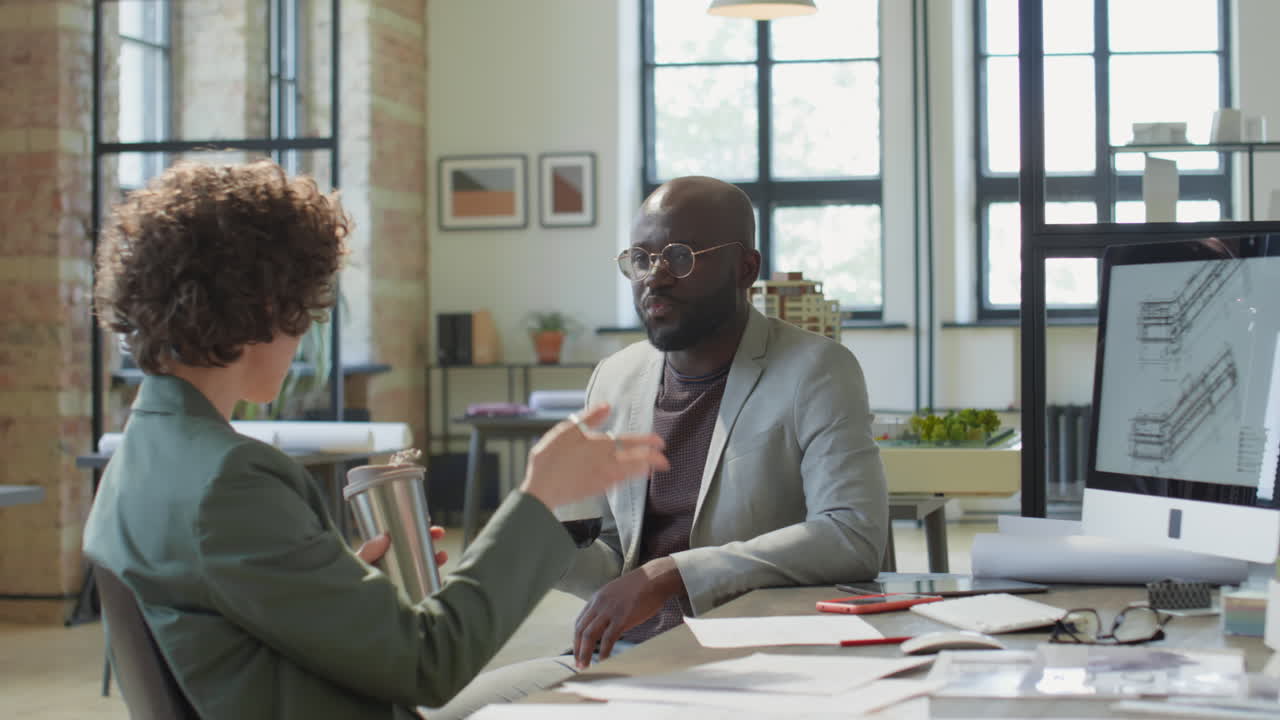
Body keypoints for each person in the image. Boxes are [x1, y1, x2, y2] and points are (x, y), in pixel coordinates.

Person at [82, 160, 669, 720]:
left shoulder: (137, 459)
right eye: (305, 307)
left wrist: (336, 585)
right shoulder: (229, 483)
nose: (307, 329)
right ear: (264, 306)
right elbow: (429, 660)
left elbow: (228, 629)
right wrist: (541, 499)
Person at [433, 175, 888, 718]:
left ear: (746, 268)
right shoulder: (616, 376)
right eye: (641, 258)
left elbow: (852, 533)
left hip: (748, 663)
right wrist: (538, 538)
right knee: (439, 713)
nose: (655, 277)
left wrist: (672, 572)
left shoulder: (816, 370)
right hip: (619, 656)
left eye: (680, 256)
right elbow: (611, 561)